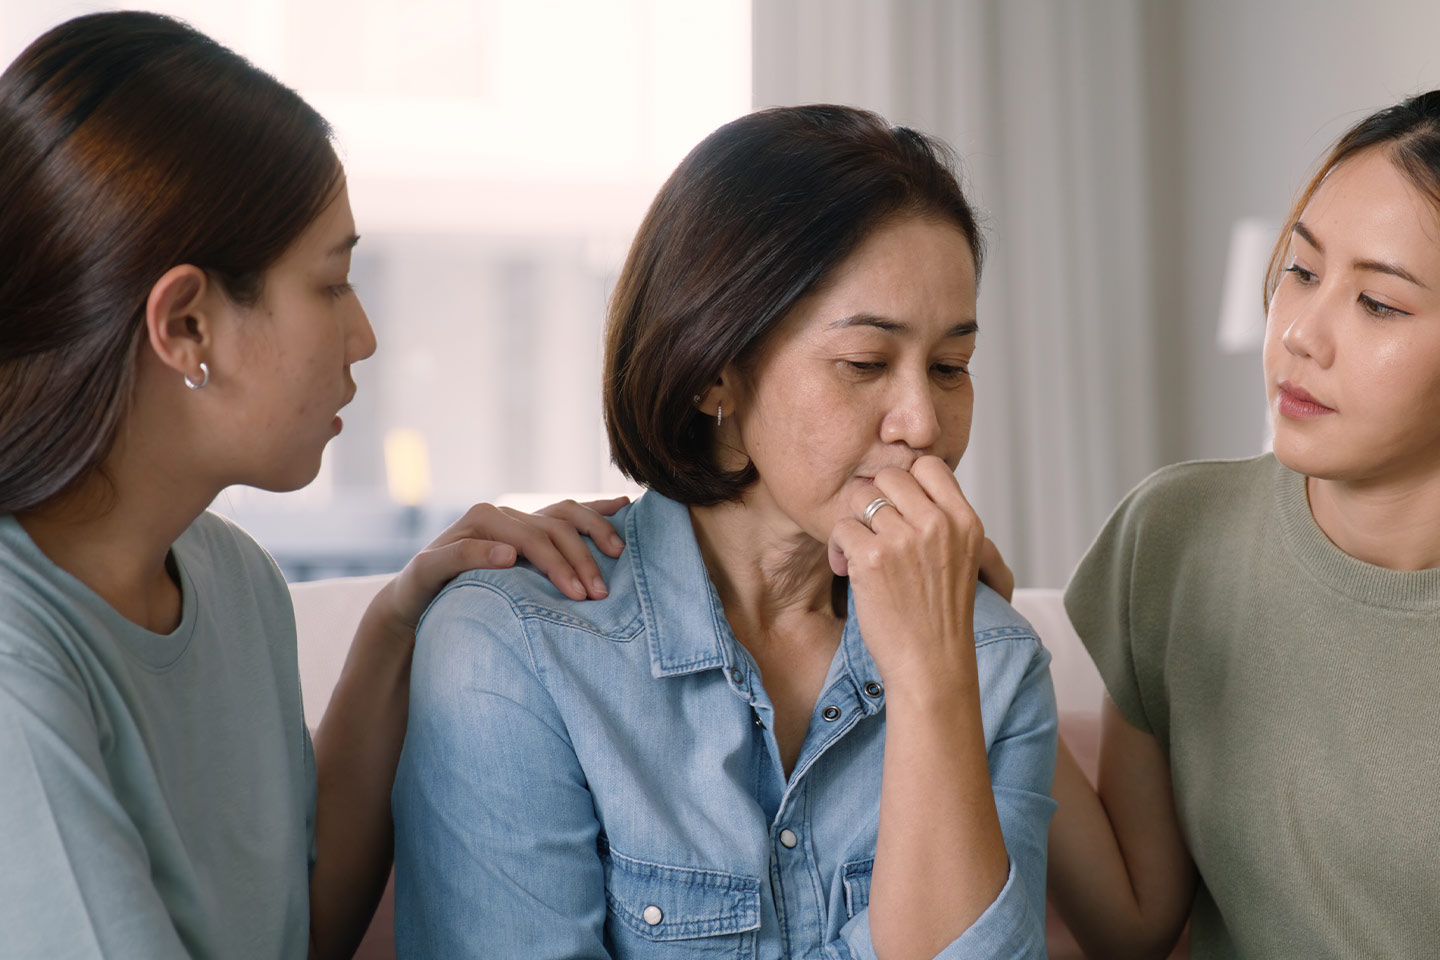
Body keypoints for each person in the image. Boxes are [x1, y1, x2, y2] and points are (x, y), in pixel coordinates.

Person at [0, 13, 624, 959]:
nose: (364, 335)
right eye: (331, 285)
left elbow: (305, 921)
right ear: (188, 327)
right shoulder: (17, 658)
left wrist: (398, 620)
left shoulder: (232, 580)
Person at [393, 105, 1057, 959]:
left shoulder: (992, 664)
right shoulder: (515, 650)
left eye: (949, 368)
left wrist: (933, 684)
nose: (922, 424)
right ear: (715, 373)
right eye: (865, 364)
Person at [1047, 91, 1440, 959]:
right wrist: (975, 665)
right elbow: (1135, 926)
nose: (1299, 333)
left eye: (1378, 303)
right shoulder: (1178, 536)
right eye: (1300, 271)